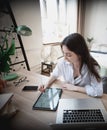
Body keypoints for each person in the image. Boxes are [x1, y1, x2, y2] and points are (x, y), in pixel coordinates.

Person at [39, 33, 103, 97]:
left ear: (79, 53)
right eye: (63, 53)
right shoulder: (62, 62)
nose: (65, 58)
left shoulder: (92, 66)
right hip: (68, 95)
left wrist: (75, 88)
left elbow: (99, 91)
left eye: (68, 55)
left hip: (84, 97)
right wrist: (46, 85)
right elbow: (55, 75)